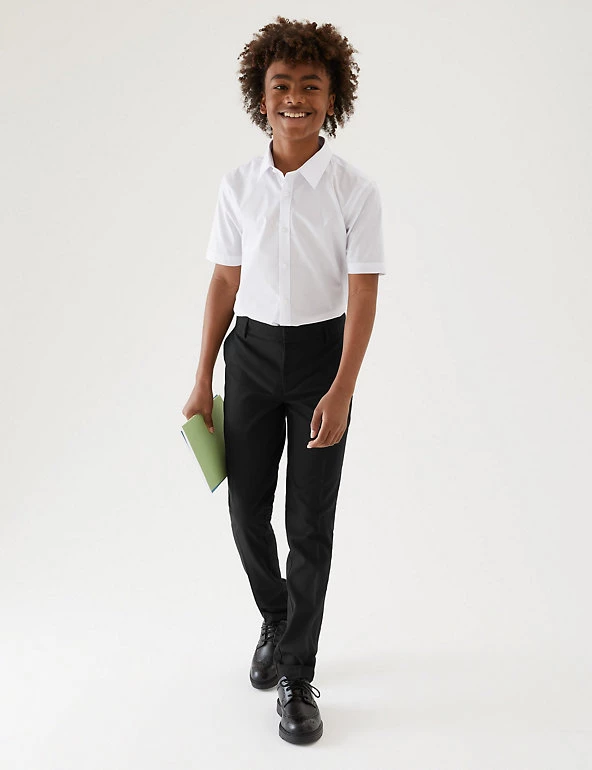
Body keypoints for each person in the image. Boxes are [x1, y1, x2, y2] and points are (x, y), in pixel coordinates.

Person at [182, 15, 386, 745]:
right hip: (251, 357)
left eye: (310, 85)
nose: (294, 97)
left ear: (333, 99)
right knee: (245, 509)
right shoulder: (239, 185)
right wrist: (202, 377)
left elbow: (362, 294)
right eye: (281, 85)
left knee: (309, 524)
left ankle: (297, 673)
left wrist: (342, 388)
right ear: (260, 95)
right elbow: (223, 282)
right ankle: (276, 616)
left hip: (321, 362)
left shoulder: (354, 190)